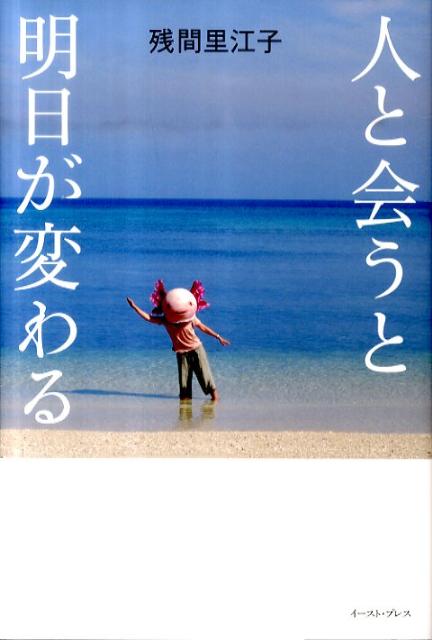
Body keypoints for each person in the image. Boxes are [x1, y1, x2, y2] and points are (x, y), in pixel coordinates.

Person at [126, 280, 230, 401]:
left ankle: (215, 405)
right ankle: (185, 411)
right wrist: (135, 307)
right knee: (184, 387)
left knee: (206, 378)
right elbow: (149, 318)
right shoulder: (166, 320)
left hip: (196, 349)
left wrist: (218, 337)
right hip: (181, 353)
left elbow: (203, 328)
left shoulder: (191, 318)